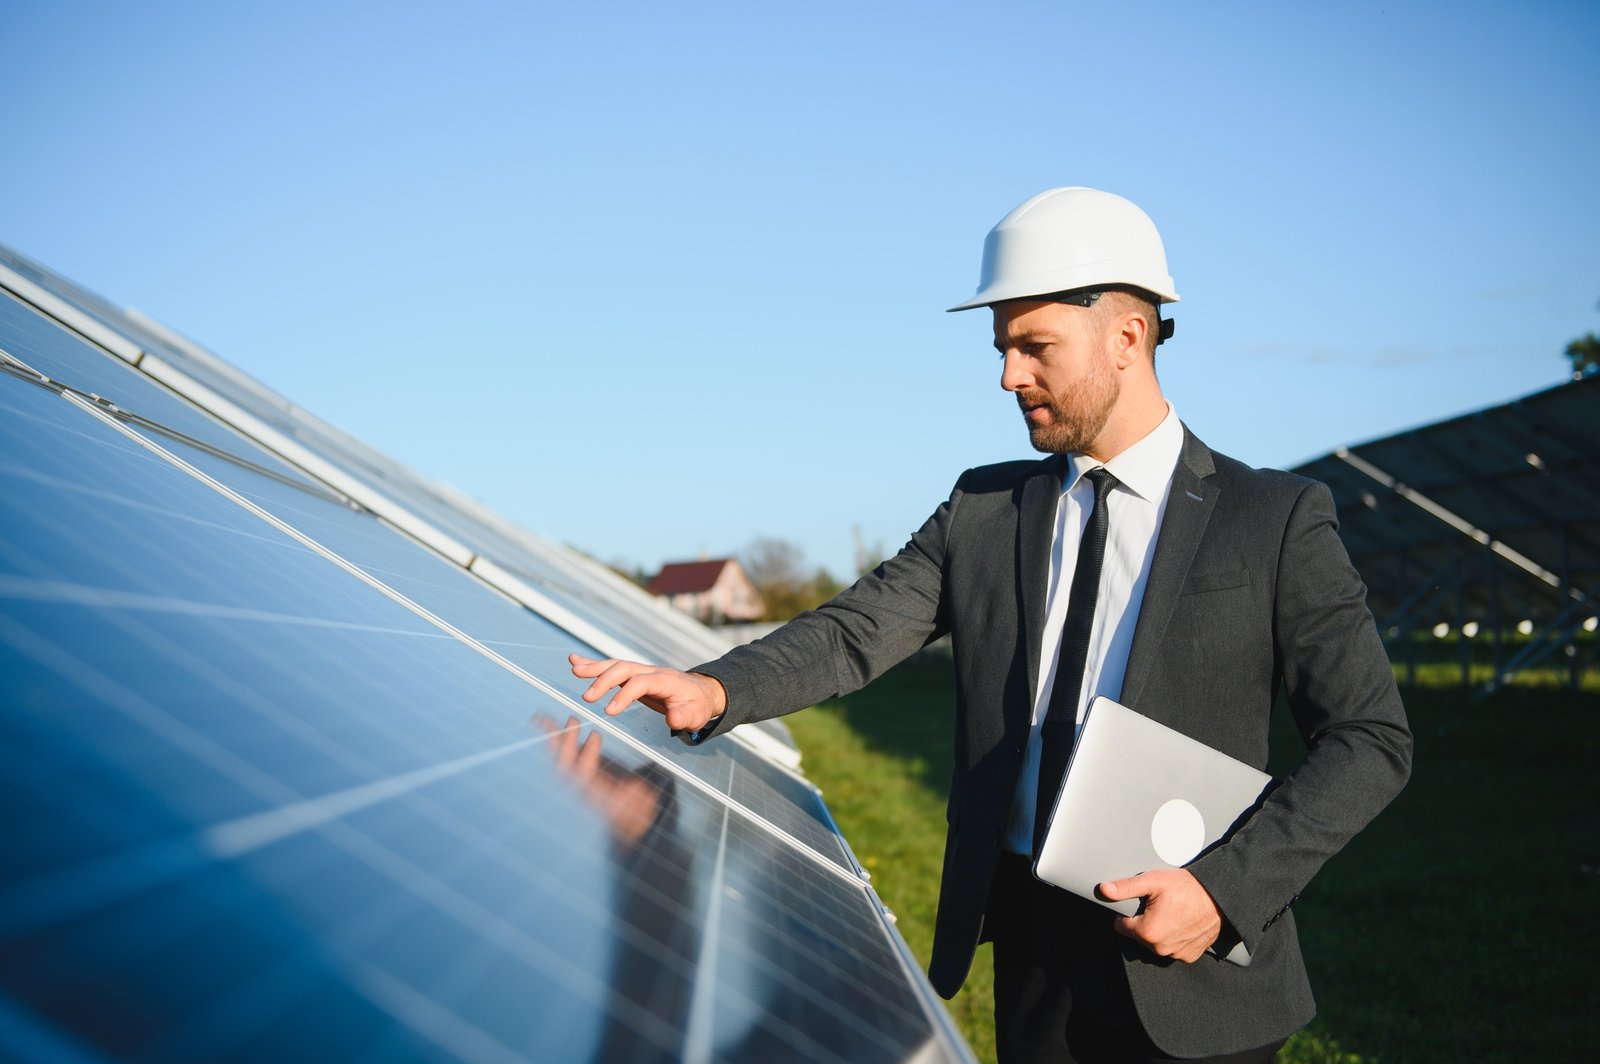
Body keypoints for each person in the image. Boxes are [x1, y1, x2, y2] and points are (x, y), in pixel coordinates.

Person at [571, 187, 1412, 1063]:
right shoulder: (985, 509)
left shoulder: (1272, 519)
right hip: (1033, 946)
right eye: (1004, 347)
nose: (1008, 376)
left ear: (1128, 338)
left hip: (1195, 959)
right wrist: (715, 687)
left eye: (1033, 346)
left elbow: (1369, 738)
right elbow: (857, 630)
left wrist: (1222, 892)